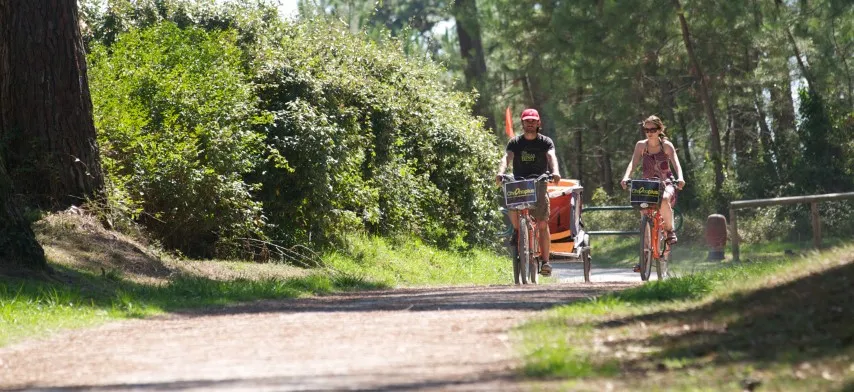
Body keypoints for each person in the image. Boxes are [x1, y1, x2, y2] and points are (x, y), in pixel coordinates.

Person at [495, 108, 561, 276]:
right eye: (527, 121)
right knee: (511, 203)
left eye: (533, 121)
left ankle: (545, 262)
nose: (530, 123)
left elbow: (552, 156)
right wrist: (500, 172)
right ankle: (518, 231)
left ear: (539, 123)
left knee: (542, 224)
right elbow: (506, 158)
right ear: (522, 123)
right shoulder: (515, 142)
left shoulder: (545, 142)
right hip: (519, 184)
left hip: (539, 183)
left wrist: (555, 172)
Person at [620, 115, 686, 250]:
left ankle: (669, 231)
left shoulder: (666, 146)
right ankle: (645, 256)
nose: (650, 132)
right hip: (648, 185)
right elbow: (633, 163)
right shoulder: (641, 145)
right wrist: (626, 177)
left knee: (664, 199)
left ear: (660, 129)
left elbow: (676, 164)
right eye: (646, 130)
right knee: (644, 213)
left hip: (666, 183)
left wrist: (680, 178)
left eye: (653, 129)